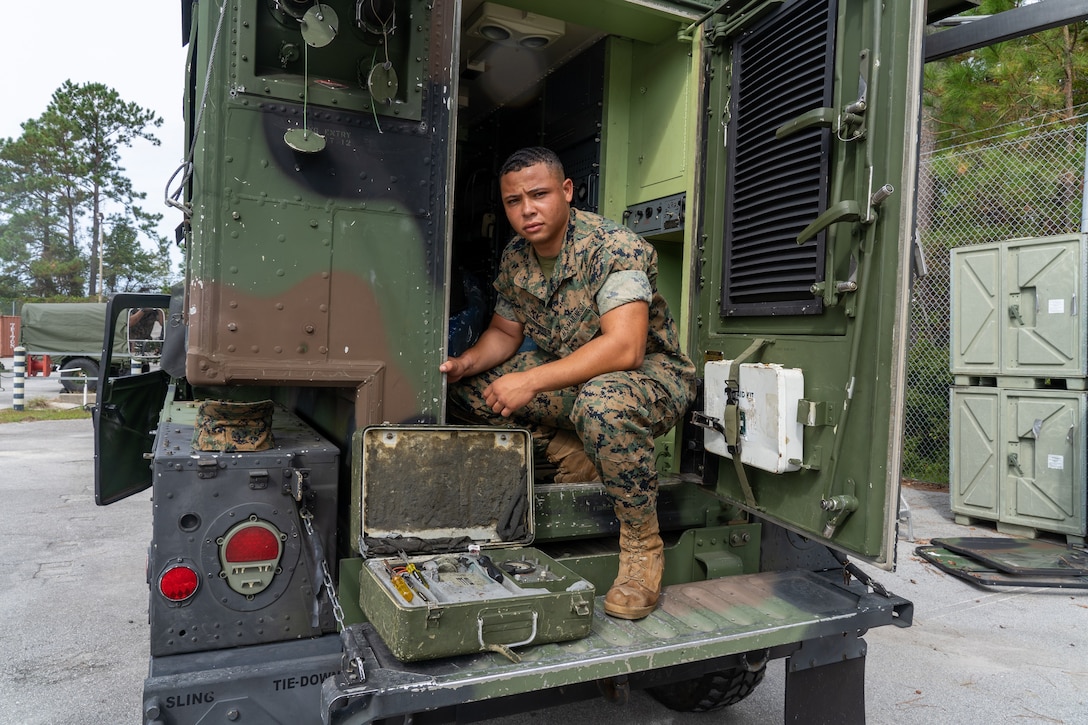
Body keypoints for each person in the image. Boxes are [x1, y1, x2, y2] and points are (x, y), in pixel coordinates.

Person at [440, 147, 696, 619]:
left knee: (601, 406)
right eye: (514, 201)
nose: (526, 210)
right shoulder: (518, 257)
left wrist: (530, 381)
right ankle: (574, 450)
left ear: (566, 191)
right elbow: (504, 332)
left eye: (538, 195)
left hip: (647, 381)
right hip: (572, 376)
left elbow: (625, 348)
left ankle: (641, 547)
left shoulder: (613, 247)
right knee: (468, 392)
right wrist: (465, 363)